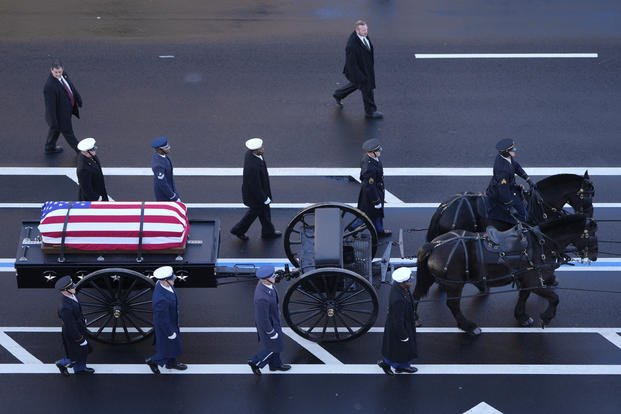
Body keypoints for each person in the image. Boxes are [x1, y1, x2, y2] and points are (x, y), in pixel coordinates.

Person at [230, 138, 282, 241]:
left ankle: (268, 232)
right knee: (253, 214)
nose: (263, 149)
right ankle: (238, 230)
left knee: (264, 213)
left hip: (257, 193)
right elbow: (255, 186)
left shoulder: (252, 155)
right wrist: (264, 198)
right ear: (256, 150)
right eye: (260, 148)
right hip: (256, 196)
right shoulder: (252, 166)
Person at [332, 20, 383, 119]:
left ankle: (338, 94)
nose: (366, 32)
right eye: (363, 30)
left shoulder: (363, 36)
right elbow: (352, 65)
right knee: (367, 89)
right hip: (359, 72)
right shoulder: (352, 46)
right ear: (357, 30)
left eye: (366, 29)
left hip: (364, 68)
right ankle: (370, 112)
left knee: (355, 85)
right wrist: (361, 77)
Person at [247, 266, 291, 375]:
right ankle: (255, 362)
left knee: (277, 345)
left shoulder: (267, 285)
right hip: (268, 326)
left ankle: (275, 365)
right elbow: (262, 319)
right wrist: (271, 332)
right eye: (272, 276)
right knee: (275, 347)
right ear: (265, 279)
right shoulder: (261, 298)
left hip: (274, 321)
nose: (274, 276)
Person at [146, 266, 187, 374]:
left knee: (173, 345)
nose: (174, 279)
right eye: (171, 279)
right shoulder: (161, 300)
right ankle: (153, 361)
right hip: (166, 327)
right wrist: (169, 333)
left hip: (171, 321)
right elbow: (161, 320)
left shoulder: (162, 285)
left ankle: (171, 363)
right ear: (164, 281)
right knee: (166, 348)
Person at [378, 267, 418, 375]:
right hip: (400, 327)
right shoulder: (398, 300)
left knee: (400, 349)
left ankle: (402, 366)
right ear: (403, 283)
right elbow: (398, 321)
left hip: (403, 324)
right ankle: (388, 364)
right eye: (409, 281)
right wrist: (403, 335)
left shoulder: (399, 288)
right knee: (400, 347)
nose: (411, 282)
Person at [485, 138, 535, 224]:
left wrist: (528, 179)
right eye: (511, 150)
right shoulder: (502, 170)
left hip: (510, 187)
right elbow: (503, 190)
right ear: (505, 152)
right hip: (504, 194)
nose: (514, 151)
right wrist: (509, 204)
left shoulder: (507, 157)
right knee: (523, 215)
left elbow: (516, 166)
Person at [54, 275, 94, 376]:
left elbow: (76, 312)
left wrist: (82, 319)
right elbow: (70, 326)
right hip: (74, 333)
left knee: (80, 351)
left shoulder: (71, 296)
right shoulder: (65, 307)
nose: (74, 287)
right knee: (78, 351)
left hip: (78, 327)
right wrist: (80, 339)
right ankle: (63, 364)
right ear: (66, 290)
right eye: (72, 287)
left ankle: (80, 368)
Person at [43, 60, 83, 154]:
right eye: (56, 72)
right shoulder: (49, 86)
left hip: (67, 109)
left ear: (63, 69)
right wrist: (53, 121)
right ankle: (80, 151)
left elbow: (70, 86)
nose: (58, 74)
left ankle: (49, 147)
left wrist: (78, 98)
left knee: (56, 130)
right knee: (68, 132)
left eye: (60, 72)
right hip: (60, 114)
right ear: (51, 70)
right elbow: (50, 107)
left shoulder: (63, 74)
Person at [357, 138, 390, 237]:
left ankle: (379, 231)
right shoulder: (369, 168)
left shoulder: (371, 158)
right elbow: (369, 186)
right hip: (371, 195)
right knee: (366, 216)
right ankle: (352, 230)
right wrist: (376, 201)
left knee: (376, 214)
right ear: (371, 153)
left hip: (376, 190)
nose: (380, 151)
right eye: (377, 150)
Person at [76, 137, 109, 201]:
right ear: (86, 152)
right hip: (92, 198)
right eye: (93, 149)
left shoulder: (91, 156)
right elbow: (86, 188)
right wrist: (97, 198)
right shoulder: (83, 169)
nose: (95, 150)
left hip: (100, 190)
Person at [151, 136, 181, 202]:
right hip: (165, 196)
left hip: (171, 189)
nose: (169, 148)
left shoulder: (163, 156)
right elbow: (162, 183)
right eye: (166, 147)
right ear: (159, 150)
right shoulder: (158, 165)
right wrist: (173, 196)